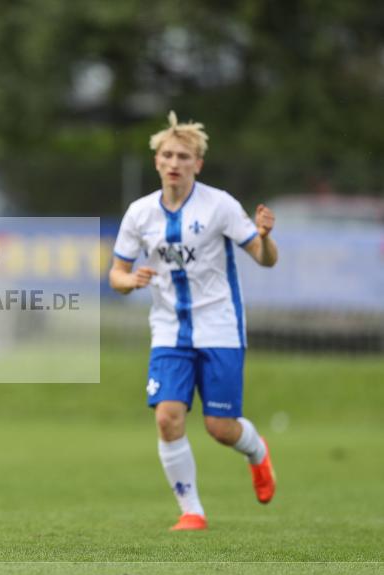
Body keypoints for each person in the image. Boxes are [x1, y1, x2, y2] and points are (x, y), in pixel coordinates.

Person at [109, 111, 278, 531]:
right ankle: (192, 512)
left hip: (219, 326)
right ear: (156, 162)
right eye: (167, 154)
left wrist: (266, 237)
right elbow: (116, 274)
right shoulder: (140, 213)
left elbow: (263, 257)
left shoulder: (219, 205)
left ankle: (257, 453)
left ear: (197, 164)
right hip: (168, 330)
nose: (174, 163)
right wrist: (130, 280)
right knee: (167, 416)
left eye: (184, 156)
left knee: (220, 427)